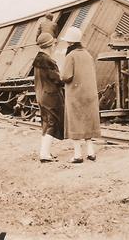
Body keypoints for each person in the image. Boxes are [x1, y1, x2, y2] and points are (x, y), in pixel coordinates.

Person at [60, 27, 101, 163]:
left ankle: (77, 155)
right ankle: (91, 152)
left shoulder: (70, 56)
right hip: (89, 94)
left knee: (75, 123)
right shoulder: (88, 55)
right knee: (88, 122)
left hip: (76, 94)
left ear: (70, 43)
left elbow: (66, 76)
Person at [32, 33, 65, 162]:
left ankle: (44, 152)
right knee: (52, 123)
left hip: (41, 95)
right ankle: (44, 154)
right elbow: (57, 79)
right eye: (53, 43)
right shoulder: (47, 61)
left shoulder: (38, 60)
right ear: (49, 45)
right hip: (50, 96)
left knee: (46, 123)